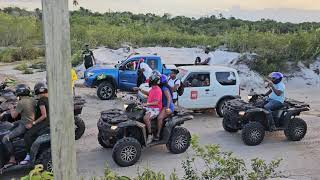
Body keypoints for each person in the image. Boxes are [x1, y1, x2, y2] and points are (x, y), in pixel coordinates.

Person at [1, 84, 35, 168]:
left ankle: (12, 159)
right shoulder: (31, 99)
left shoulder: (21, 102)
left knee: (5, 138)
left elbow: (13, 116)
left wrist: (11, 108)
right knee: (12, 125)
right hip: (30, 121)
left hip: (24, 124)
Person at [20, 82, 49, 165]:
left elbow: (44, 115)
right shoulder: (48, 98)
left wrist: (33, 123)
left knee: (27, 135)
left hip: (44, 122)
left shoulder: (41, 101)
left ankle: (29, 156)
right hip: (49, 121)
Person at [135, 73, 162, 144]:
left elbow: (156, 103)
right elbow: (148, 93)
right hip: (149, 107)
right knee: (136, 111)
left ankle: (150, 134)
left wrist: (147, 104)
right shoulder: (153, 88)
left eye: (150, 80)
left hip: (155, 109)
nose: (149, 81)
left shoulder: (158, 90)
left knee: (145, 118)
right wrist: (139, 89)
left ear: (153, 81)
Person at [155, 74, 174, 141]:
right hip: (162, 106)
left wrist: (167, 108)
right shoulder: (159, 88)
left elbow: (169, 99)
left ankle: (158, 134)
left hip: (167, 106)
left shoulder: (164, 88)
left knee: (159, 118)